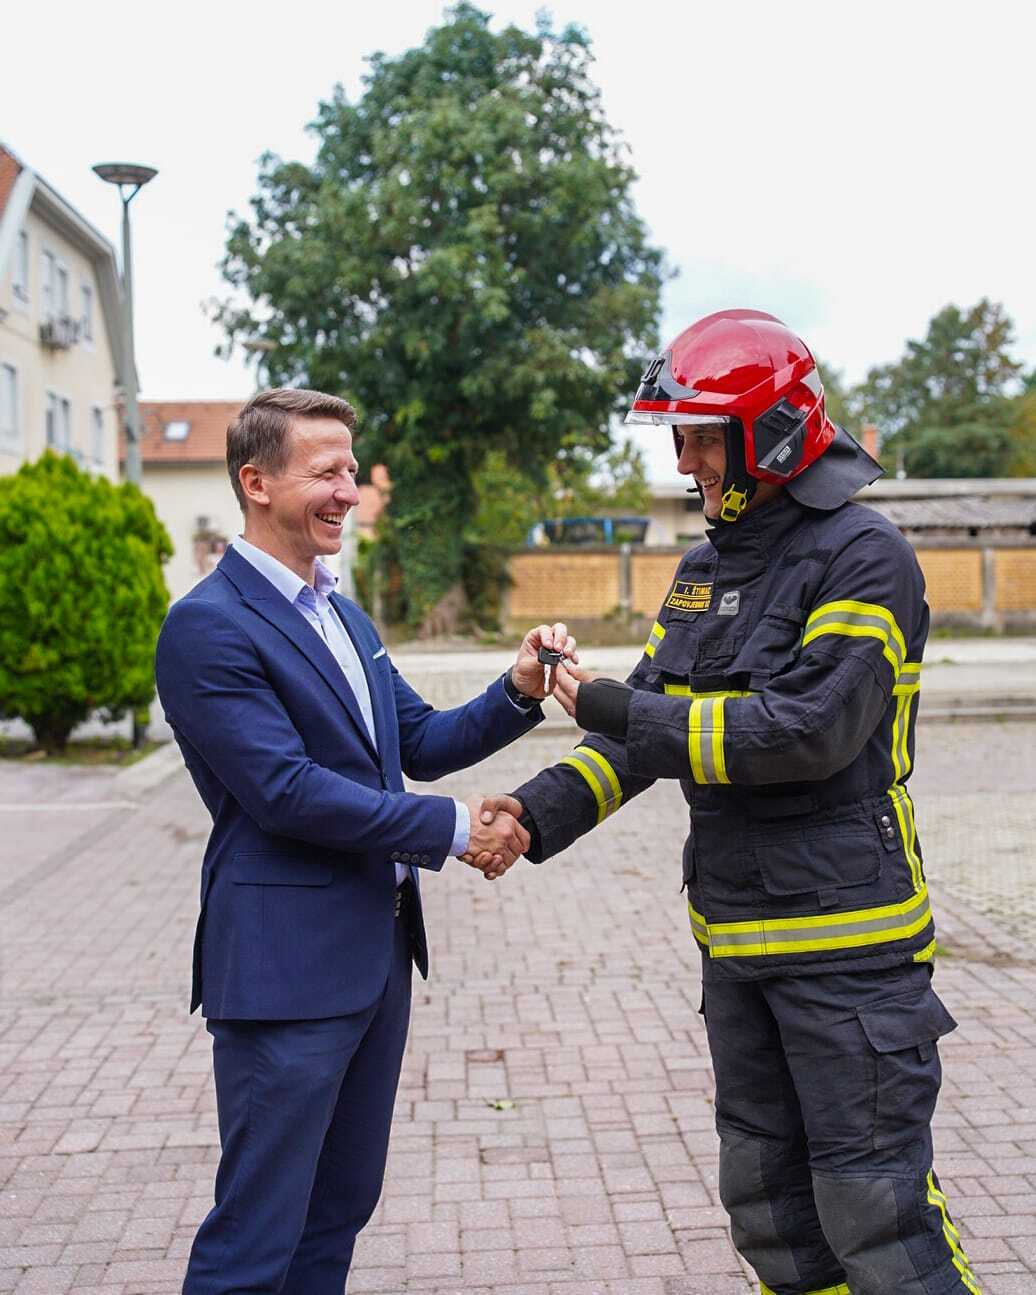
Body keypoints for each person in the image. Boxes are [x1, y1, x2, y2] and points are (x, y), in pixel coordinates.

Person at [475, 311, 982, 1294]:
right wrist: (533, 813)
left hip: (849, 949)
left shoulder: (863, 555)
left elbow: (802, 732)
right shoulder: (708, 568)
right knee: (771, 1214)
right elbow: (641, 731)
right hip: (738, 946)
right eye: (682, 434)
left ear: (775, 432)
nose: (687, 458)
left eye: (705, 433)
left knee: (874, 1220)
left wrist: (623, 705)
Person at [155, 386, 571, 1294]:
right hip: (282, 973)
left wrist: (520, 686)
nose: (348, 490)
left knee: (339, 1207)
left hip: (373, 960)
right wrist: (457, 828)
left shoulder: (342, 615)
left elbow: (414, 742)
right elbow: (286, 793)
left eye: (352, 469)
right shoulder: (205, 626)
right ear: (255, 481)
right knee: (255, 1235)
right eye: (326, 471)